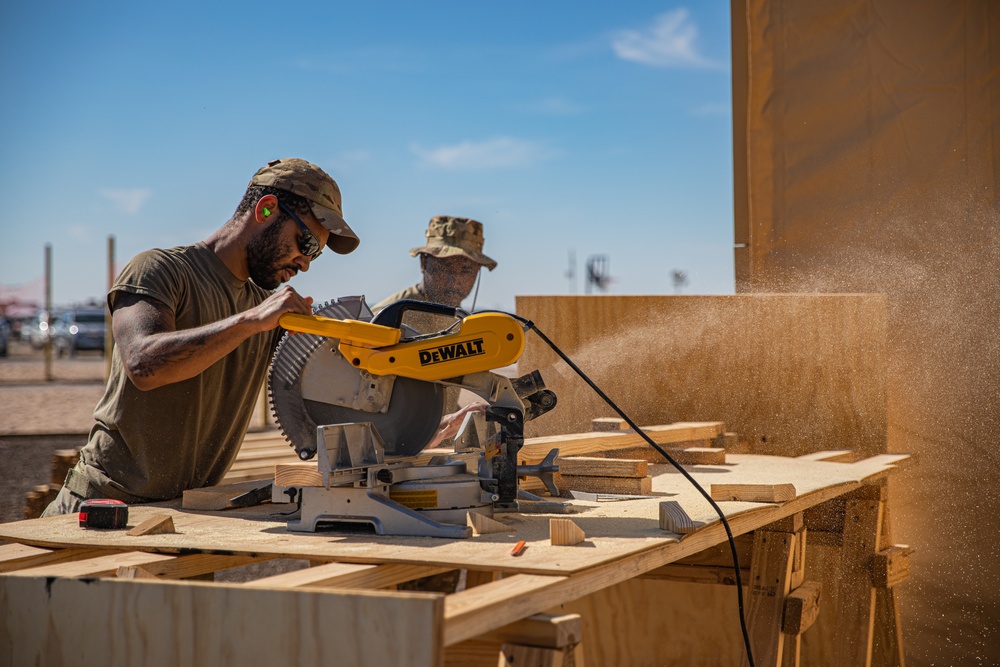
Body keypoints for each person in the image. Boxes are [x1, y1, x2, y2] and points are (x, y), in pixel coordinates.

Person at [42, 158, 360, 517]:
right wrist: (251, 321)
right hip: (98, 508)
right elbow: (143, 365)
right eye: (306, 243)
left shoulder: (265, 314)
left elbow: (329, 386)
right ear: (266, 209)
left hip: (183, 515)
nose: (305, 263)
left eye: (315, 254)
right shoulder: (161, 270)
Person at [371, 216, 497, 333]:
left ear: (477, 271)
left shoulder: (469, 325)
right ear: (423, 262)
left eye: (466, 270)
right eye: (445, 267)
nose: (454, 280)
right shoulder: (386, 318)